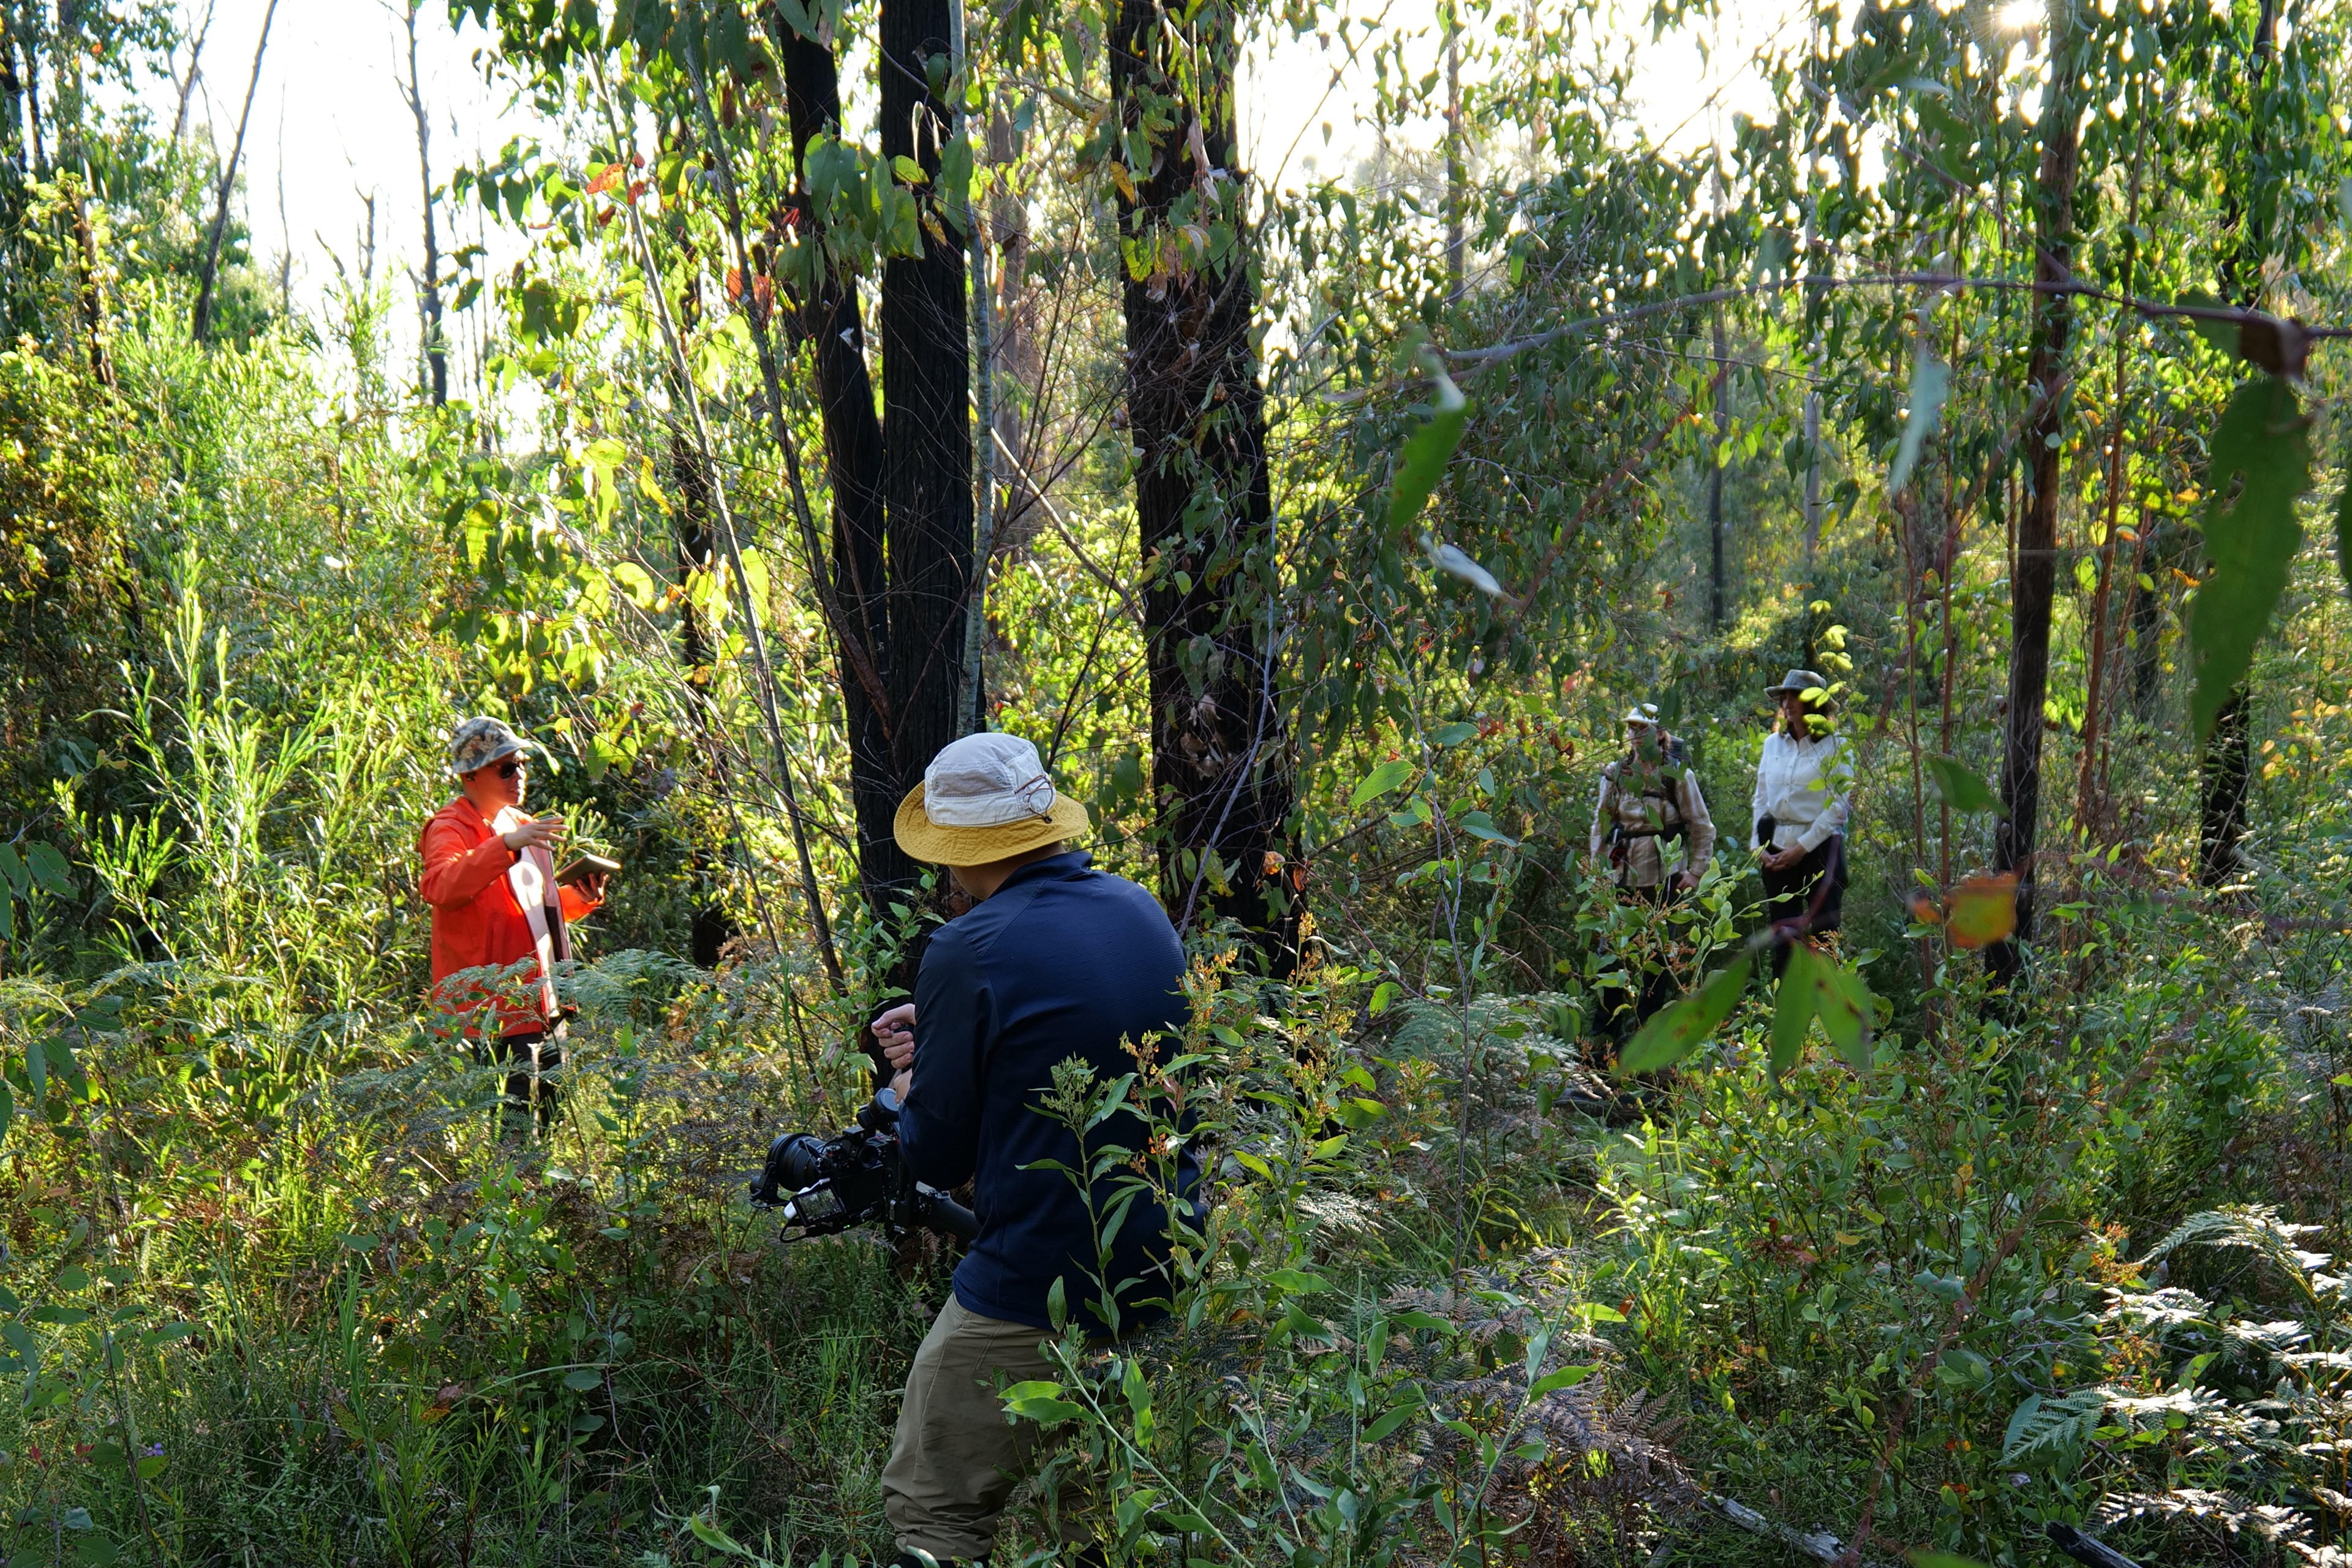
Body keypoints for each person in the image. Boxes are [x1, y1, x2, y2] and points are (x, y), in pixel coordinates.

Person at [866, 731, 1189, 1568]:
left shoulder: (964, 948)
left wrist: (909, 1091)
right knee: (1097, 1525)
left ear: (957, 850)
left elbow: (935, 1156)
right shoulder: (1139, 909)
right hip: (1161, 1263)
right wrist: (945, 1038)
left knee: (932, 1514)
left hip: (1031, 1284)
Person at [418, 717, 605, 1141]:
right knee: (515, 1108)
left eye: (521, 764)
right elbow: (440, 886)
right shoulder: (451, 827)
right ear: (470, 775)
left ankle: (540, 1191)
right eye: (505, 767)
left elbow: (532, 910)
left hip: (543, 994)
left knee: (554, 1094)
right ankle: (512, 1196)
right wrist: (503, 846)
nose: (518, 775)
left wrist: (582, 895)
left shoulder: (520, 824)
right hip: (497, 1003)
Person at [1586, 704, 1717, 1046]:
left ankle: (1648, 1048)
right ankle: (1602, 1045)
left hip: (1665, 880)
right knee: (1610, 960)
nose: (1635, 735)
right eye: (1631, 729)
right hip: (1621, 878)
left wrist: (1696, 872)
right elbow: (1601, 824)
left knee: (1657, 965)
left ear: (1659, 734)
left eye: (1642, 729)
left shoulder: (1677, 775)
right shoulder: (1615, 773)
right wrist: (1598, 872)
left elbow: (1701, 826)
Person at [1749, 669, 1853, 967]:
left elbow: (1839, 806)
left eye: (1796, 696)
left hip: (1821, 852)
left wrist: (1802, 848)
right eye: (1785, 696)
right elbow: (1761, 799)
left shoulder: (1837, 746)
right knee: (1784, 941)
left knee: (1825, 940)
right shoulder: (1773, 745)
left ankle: (1826, 1008)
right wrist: (1760, 848)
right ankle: (1783, 1008)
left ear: (1815, 702)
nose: (1788, 703)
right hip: (1777, 851)